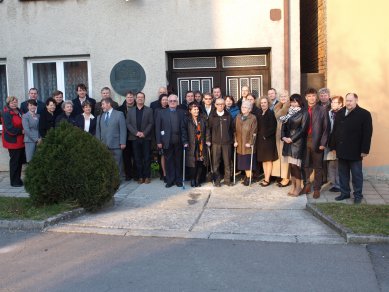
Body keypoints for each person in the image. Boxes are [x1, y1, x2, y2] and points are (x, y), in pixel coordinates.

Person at [330, 93, 373, 204]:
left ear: (356, 100)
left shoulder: (364, 114)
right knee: (343, 174)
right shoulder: (340, 113)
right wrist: (333, 146)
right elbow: (335, 131)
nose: (348, 103)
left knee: (356, 175)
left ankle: (358, 195)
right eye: (347, 100)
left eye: (351, 100)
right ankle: (344, 193)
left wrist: (364, 150)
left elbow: (367, 134)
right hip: (341, 149)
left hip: (356, 151)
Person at [300, 88, 329, 199]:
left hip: (317, 140)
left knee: (318, 167)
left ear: (316, 97)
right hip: (305, 140)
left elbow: (326, 128)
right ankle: (307, 185)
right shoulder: (303, 110)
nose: (311, 98)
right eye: (309, 96)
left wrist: (323, 143)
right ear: (306, 97)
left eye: (313, 96)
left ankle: (316, 189)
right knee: (305, 165)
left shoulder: (322, 110)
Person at [280, 94, 309, 197]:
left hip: (297, 143)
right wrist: (283, 137)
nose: (293, 104)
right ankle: (293, 185)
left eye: (295, 102)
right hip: (287, 142)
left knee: (296, 166)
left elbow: (303, 129)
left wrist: (291, 139)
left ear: (300, 102)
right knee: (291, 166)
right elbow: (283, 125)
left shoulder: (304, 112)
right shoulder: (288, 112)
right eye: (292, 101)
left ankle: (298, 187)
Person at [155, 94, 186, 188]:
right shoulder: (161, 112)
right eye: (171, 101)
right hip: (166, 141)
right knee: (169, 162)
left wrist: (185, 141)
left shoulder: (182, 112)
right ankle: (170, 180)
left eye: (174, 101)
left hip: (179, 141)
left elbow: (184, 128)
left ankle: (178, 180)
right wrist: (159, 141)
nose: (172, 102)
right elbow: (157, 128)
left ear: (177, 102)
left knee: (178, 161)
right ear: (168, 102)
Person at [126, 92, 154, 184]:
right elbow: (128, 124)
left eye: (142, 97)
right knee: (137, 158)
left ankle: (147, 176)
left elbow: (151, 123)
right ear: (136, 99)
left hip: (146, 138)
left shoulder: (149, 110)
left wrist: (144, 133)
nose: (140, 99)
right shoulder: (130, 111)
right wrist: (136, 133)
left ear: (144, 99)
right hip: (134, 138)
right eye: (138, 97)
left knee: (147, 158)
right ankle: (140, 176)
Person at [206, 97, 234, 187]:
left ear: (224, 105)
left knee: (227, 162)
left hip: (227, 143)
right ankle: (217, 180)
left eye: (222, 104)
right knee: (216, 163)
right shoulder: (212, 117)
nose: (220, 106)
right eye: (218, 104)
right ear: (215, 105)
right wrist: (208, 140)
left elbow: (232, 129)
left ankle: (227, 180)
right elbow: (208, 130)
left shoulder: (228, 116)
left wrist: (233, 140)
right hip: (215, 143)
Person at [96, 98, 127, 173]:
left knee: (117, 163)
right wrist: (98, 143)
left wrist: (123, 142)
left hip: (116, 144)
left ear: (109, 104)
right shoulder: (99, 117)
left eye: (103, 104)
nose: (102, 106)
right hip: (104, 145)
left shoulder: (119, 114)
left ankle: (118, 179)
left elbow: (123, 129)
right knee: (106, 163)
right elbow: (98, 131)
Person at [182, 102, 207, 187]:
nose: (196, 111)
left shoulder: (202, 119)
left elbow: (207, 131)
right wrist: (185, 142)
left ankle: (197, 180)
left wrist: (208, 140)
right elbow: (184, 132)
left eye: (197, 109)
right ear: (190, 111)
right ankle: (192, 179)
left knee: (200, 163)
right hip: (191, 145)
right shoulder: (186, 120)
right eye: (194, 109)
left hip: (201, 145)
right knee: (193, 163)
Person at [1, 96, 25, 187]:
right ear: (8, 103)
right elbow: (9, 128)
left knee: (19, 161)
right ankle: (14, 182)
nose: (14, 104)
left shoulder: (19, 111)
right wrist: (21, 131)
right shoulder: (6, 113)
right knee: (14, 161)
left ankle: (18, 179)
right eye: (12, 102)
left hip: (21, 140)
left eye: (15, 102)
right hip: (12, 141)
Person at [255, 97, 278, 186]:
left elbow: (273, 127)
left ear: (268, 103)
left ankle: (267, 179)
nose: (263, 104)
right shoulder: (259, 113)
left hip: (268, 141)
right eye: (261, 103)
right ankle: (265, 177)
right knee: (263, 160)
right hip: (260, 141)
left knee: (268, 160)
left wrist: (265, 135)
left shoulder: (271, 113)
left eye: (265, 102)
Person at [234, 100, 257, 186]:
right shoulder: (238, 116)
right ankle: (247, 177)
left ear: (250, 109)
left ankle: (249, 178)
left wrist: (250, 142)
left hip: (247, 144)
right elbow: (235, 131)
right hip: (240, 144)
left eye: (246, 107)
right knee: (243, 163)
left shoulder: (253, 118)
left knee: (248, 163)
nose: (243, 109)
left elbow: (254, 132)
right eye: (243, 107)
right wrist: (235, 141)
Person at [324, 96, 343, 192]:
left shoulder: (344, 114)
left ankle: (340, 184)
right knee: (331, 163)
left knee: (339, 165)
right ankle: (333, 183)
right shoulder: (329, 113)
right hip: (329, 142)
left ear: (340, 104)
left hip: (339, 143)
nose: (332, 104)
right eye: (332, 102)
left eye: (335, 102)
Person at [272, 90, 291, 187]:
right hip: (277, 135)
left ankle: (286, 178)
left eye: (285, 96)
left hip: (286, 135)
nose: (283, 98)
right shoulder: (277, 107)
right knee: (279, 156)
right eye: (281, 96)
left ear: (288, 96)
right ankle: (281, 175)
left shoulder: (290, 107)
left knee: (285, 157)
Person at [118, 91, 137, 181]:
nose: (130, 98)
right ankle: (128, 174)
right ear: (125, 98)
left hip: (135, 135)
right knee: (126, 157)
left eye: (131, 97)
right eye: (128, 97)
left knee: (136, 155)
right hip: (125, 136)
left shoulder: (138, 107)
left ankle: (136, 173)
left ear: (134, 98)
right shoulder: (120, 109)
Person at [153, 94, 169, 182]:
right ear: (160, 101)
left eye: (166, 100)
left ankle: (169, 173)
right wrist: (158, 140)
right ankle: (164, 174)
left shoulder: (171, 109)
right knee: (163, 156)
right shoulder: (157, 111)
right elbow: (157, 126)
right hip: (162, 138)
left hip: (170, 137)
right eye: (163, 100)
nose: (165, 101)